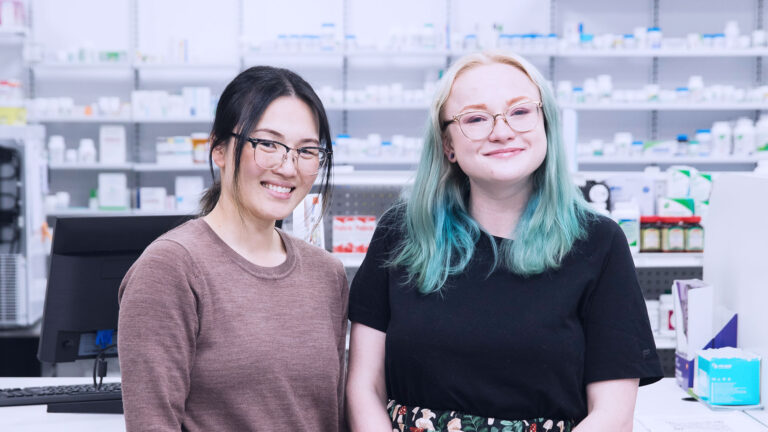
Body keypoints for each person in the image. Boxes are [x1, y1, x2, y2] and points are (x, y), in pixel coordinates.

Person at [346, 51, 663, 432]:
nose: (501, 130)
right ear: (447, 144)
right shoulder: (401, 232)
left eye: (520, 111)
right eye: (476, 118)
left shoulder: (598, 243)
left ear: (546, 123)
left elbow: (612, 414)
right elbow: (365, 386)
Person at [118, 66, 348, 432]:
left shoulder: (327, 274)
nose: (287, 167)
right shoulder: (171, 268)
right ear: (220, 149)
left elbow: (334, 416)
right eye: (268, 143)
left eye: (306, 150)